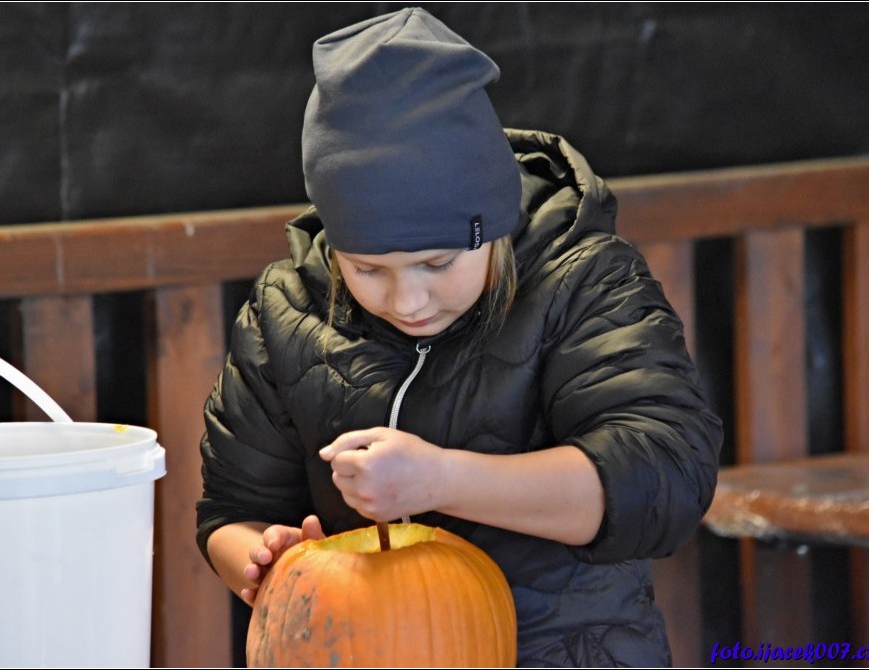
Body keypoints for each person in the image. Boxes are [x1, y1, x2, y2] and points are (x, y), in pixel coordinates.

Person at [197, 7, 722, 667]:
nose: (407, 300)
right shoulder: (287, 309)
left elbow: (665, 478)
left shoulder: (581, 280)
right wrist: (267, 561)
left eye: (439, 263)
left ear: (491, 226)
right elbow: (230, 511)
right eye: (367, 270)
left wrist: (442, 480)